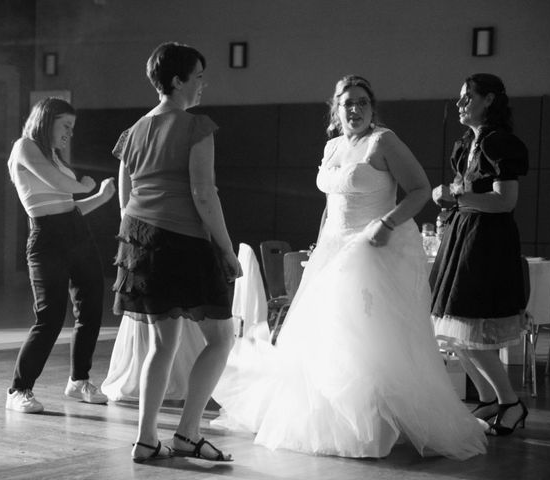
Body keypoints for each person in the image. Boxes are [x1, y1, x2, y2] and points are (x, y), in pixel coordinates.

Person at [211, 75, 487, 460]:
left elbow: (421, 189)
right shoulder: (332, 146)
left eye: (362, 102)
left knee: (369, 339)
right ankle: (334, 421)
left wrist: (387, 224)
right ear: (336, 110)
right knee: (326, 338)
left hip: (375, 247)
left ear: (373, 108)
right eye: (347, 104)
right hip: (333, 249)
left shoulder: (383, 141)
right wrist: (321, 244)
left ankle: (376, 424)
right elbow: (331, 204)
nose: (354, 109)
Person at [113, 42, 241, 463]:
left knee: (162, 343)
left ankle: (147, 439)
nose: (204, 84)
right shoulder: (196, 127)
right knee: (222, 338)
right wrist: (226, 250)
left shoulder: (131, 133)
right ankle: (187, 434)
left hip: (139, 240)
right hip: (180, 239)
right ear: (177, 81)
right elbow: (205, 195)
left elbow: (125, 198)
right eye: (199, 76)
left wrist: (138, 245)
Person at [430, 73, 529, 436]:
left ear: (488, 100)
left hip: (487, 245)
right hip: (463, 238)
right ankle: (488, 398)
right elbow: (468, 195)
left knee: (471, 330)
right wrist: (450, 212)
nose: (460, 104)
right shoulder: (467, 145)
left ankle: (511, 402)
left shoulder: (499, 143)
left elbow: (505, 201)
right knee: (453, 332)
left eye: (467, 97)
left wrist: (456, 197)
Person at [6, 97, 115, 413]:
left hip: (77, 234)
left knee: (91, 310)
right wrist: (81, 184)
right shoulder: (24, 147)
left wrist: (100, 197)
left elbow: (70, 207)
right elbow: (59, 186)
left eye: (73, 127)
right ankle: (19, 389)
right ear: (46, 120)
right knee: (50, 317)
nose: (70, 133)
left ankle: (79, 381)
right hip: (47, 240)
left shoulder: (53, 157)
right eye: (65, 125)